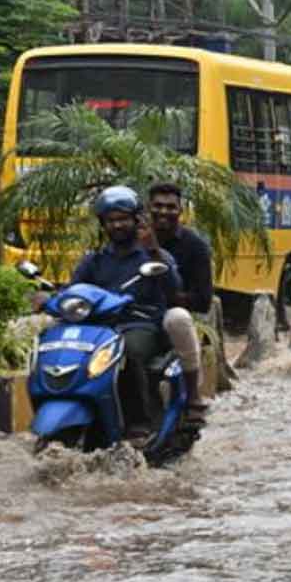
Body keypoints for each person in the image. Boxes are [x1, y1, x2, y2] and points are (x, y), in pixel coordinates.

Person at [35, 187, 183, 436]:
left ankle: (139, 423)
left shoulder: (154, 255)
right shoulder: (94, 260)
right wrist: (49, 299)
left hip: (139, 325)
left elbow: (174, 289)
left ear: (137, 220)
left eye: (123, 219)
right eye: (111, 220)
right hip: (96, 329)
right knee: (52, 345)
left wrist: (154, 250)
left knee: (129, 352)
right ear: (103, 224)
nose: (117, 225)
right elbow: (74, 291)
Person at [148, 183, 212, 418]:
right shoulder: (130, 240)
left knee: (179, 319)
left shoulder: (195, 246)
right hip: (132, 314)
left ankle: (193, 392)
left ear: (180, 211)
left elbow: (203, 300)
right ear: (148, 208)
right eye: (158, 206)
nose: (163, 212)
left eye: (170, 207)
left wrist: (169, 297)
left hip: (169, 315)